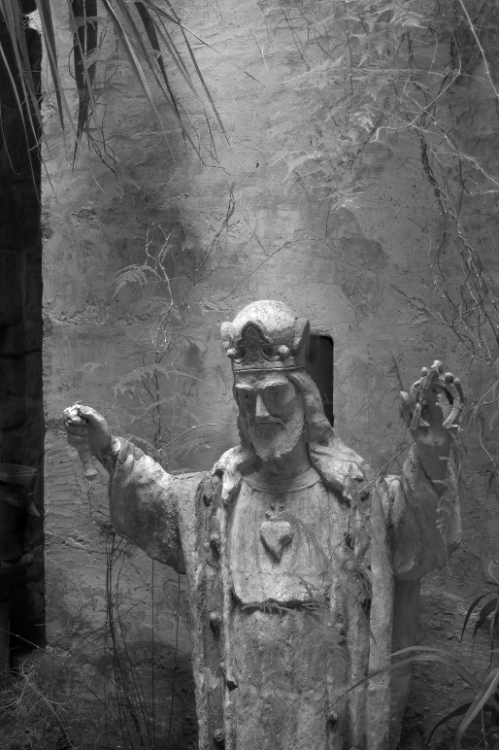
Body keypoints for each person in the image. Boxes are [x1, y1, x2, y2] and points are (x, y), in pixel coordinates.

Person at [63, 300, 462, 750]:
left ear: (303, 395)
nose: (260, 412)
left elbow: (414, 543)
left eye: (274, 395)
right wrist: (107, 449)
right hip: (244, 717)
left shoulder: (355, 495)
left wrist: (431, 456)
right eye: (246, 397)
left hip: (324, 717)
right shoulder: (219, 496)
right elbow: (160, 501)